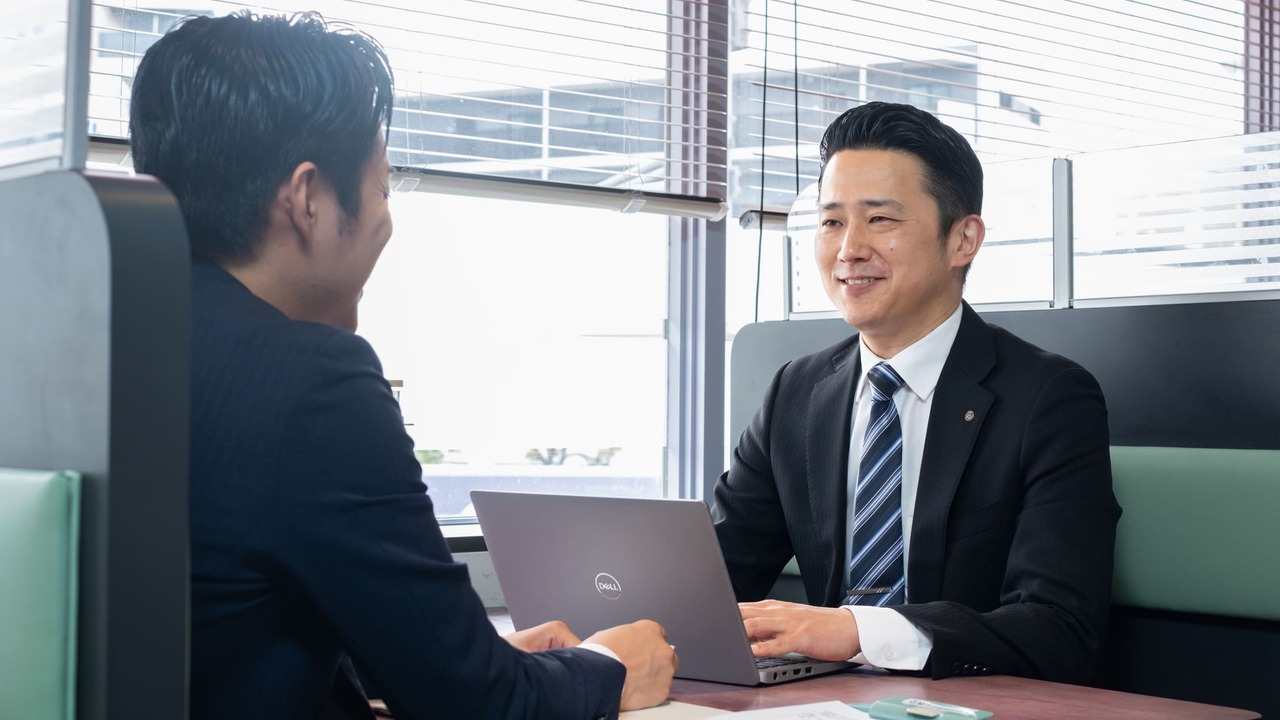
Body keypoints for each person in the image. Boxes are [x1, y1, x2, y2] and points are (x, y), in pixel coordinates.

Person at [129, 11, 676, 719]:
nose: (387, 219)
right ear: (308, 200)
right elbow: (482, 706)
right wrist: (607, 666)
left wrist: (459, 655)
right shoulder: (311, 382)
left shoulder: (119, 343)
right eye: (383, 187)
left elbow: (231, 619)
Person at [711, 101, 1120, 684]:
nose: (849, 249)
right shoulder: (795, 394)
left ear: (963, 240)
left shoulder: (1049, 399)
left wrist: (859, 631)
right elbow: (716, 577)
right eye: (831, 222)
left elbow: (1059, 628)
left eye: (880, 219)